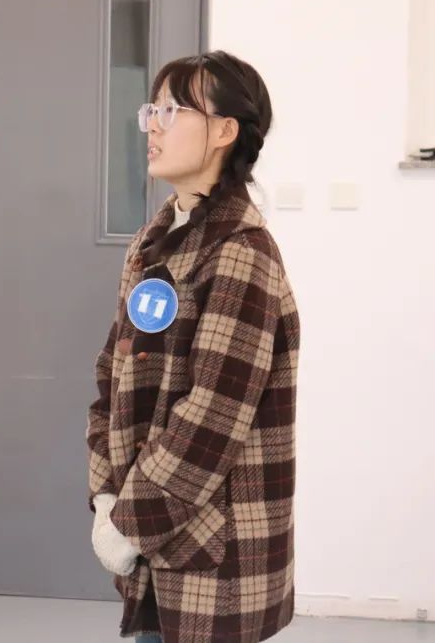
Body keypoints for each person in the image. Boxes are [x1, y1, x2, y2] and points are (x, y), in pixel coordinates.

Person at [86, 52, 300, 643]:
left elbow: (213, 418)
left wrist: (128, 522)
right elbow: (112, 375)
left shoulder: (241, 253)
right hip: (152, 540)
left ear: (225, 131)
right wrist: (105, 493)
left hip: (213, 556)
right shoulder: (153, 241)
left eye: (172, 110)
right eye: (151, 110)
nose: (152, 125)